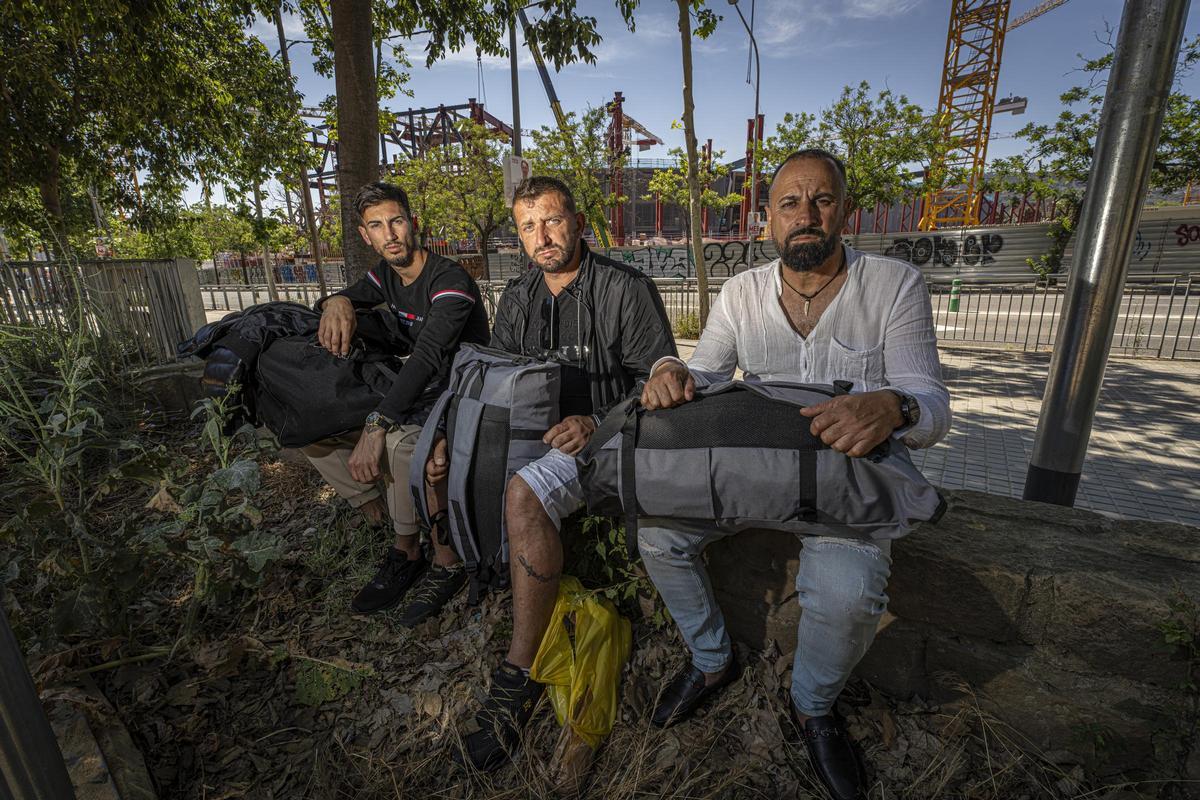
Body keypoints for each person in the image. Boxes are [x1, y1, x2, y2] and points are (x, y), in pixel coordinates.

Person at [637, 149, 951, 800]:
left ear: (846, 212)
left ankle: (811, 706)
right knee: (658, 535)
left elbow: (930, 402)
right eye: (789, 203)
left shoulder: (894, 284)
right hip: (757, 470)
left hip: (846, 481)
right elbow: (708, 376)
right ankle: (711, 659)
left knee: (845, 596)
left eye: (823, 200)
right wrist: (671, 369)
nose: (806, 215)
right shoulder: (740, 293)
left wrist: (894, 405)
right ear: (767, 222)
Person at [423, 176, 677, 773]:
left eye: (553, 221)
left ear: (579, 221)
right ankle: (469, 572)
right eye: (528, 226)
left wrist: (596, 421)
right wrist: (446, 434)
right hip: (532, 437)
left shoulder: (625, 289)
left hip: (615, 439)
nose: (542, 237)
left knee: (522, 491)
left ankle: (517, 671)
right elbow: (493, 376)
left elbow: (659, 384)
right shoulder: (516, 297)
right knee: (446, 463)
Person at [305, 181, 490, 622]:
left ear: (413, 223)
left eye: (397, 221)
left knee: (398, 445)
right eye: (376, 226)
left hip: (466, 389)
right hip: (422, 388)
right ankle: (378, 508)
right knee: (310, 433)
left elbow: (427, 356)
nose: (389, 234)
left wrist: (376, 425)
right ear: (365, 235)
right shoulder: (383, 276)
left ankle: (414, 553)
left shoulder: (450, 280)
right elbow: (338, 300)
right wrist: (337, 301)